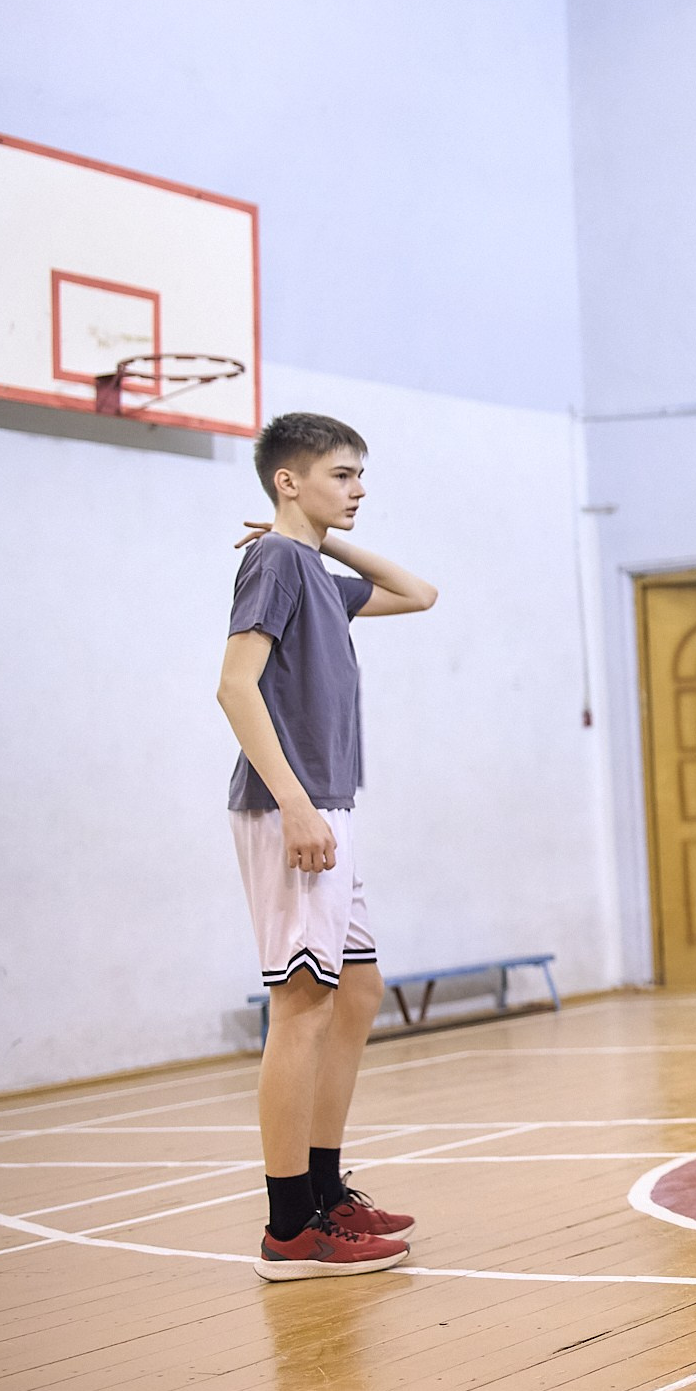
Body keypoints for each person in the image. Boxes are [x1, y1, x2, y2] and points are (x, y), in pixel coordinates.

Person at [216, 412, 437, 1280]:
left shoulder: (307, 565)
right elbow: (235, 687)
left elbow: (418, 592)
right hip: (295, 811)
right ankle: (289, 1228)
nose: (359, 489)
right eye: (342, 475)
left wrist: (328, 539)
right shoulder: (274, 561)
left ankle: (323, 1190)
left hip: (327, 809)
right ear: (289, 480)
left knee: (358, 990)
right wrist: (296, 803)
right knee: (303, 1002)